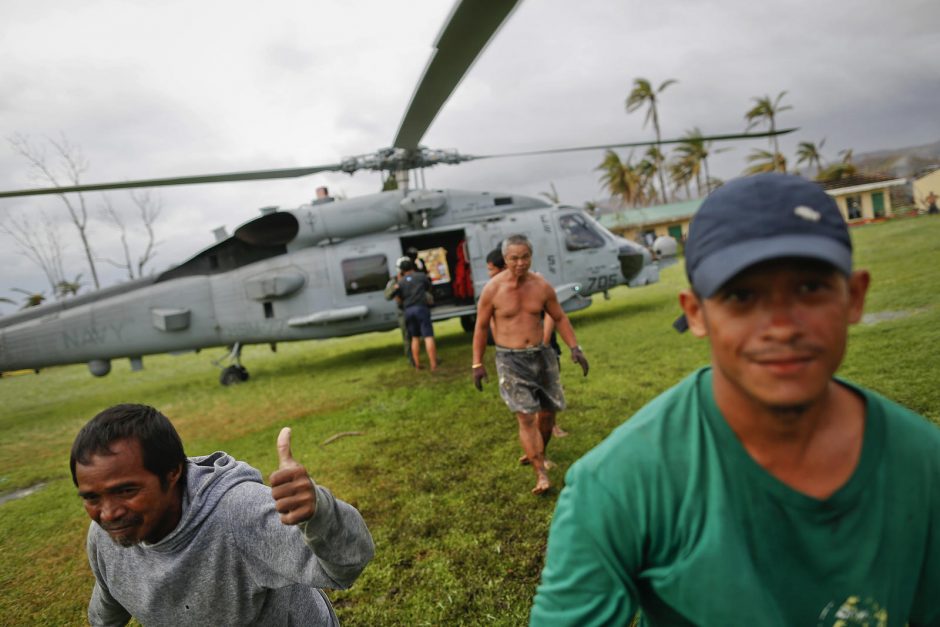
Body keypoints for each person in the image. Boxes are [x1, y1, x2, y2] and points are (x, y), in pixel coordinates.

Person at [530, 174, 940, 625]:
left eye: (810, 288)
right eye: (742, 295)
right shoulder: (620, 483)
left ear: (854, 298)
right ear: (695, 313)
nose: (782, 326)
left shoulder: (924, 466)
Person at [71, 404, 375, 626]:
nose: (108, 513)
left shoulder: (238, 514)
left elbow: (347, 566)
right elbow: (113, 591)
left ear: (172, 473)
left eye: (126, 491)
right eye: (92, 497)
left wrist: (319, 512)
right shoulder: (105, 535)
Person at [472, 235, 589, 495]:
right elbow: (480, 328)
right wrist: (477, 363)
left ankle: (539, 451)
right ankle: (540, 473)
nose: (520, 263)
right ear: (505, 259)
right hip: (510, 359)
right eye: (514, 258)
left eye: (525, 257)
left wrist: (575, 348)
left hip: (541, 356)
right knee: (525, 416)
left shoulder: (541, 286)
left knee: (547, 415)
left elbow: (559, 317)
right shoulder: (492, 290)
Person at [486, 246, 568, 438]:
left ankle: (550, 428)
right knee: (526, 403)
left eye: (491, 269)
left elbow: (552, 316)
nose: (489, 274)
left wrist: (544, 343)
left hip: (542, 347)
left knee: (547, 391)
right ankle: (536, 446)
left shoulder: (536, 283)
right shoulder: (496, 289)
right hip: (515, 354)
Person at [390, 258, 438, 371]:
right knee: (428, 336)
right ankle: (433, 365)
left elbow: (396, 297)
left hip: (408, 311)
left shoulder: (400, 282)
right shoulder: (421, 276)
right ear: (412, 266)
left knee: (414, 337)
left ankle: (417, 365)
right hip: (421, 308)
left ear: (401, 270)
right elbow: (429, 288)